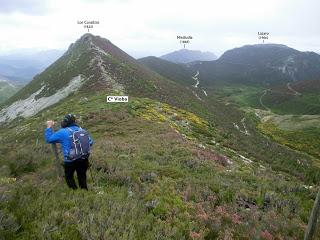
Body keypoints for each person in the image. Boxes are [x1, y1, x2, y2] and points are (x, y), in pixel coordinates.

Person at [45, 114, 94, 190]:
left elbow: (49, 139)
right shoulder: (82, 130)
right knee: (82, 175)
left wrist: (49, 127)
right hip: (83, 158)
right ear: (74, 121)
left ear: (66, 122)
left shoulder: (62, 132)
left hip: (70, 160)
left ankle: (74, 192)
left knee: (69, 176)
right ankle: (84, 191)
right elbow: (90, 142)